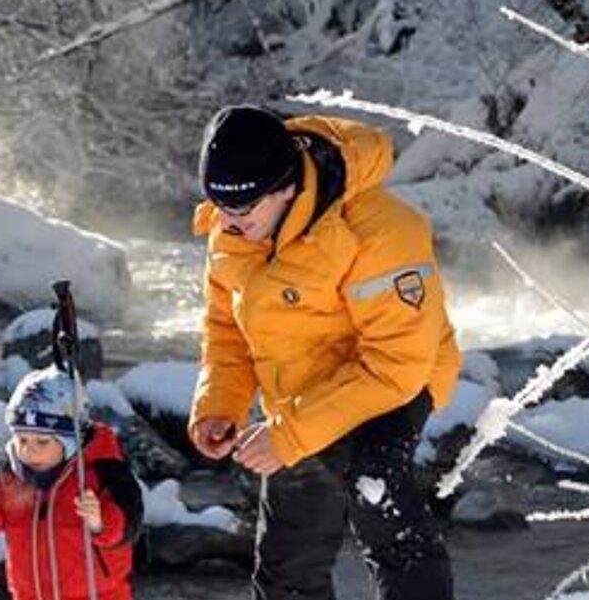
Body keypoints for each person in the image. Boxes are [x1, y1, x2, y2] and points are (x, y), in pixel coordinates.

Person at [185, 105, 463, 600]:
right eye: (219, 206)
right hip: (303, 390)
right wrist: (219, 405)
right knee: (287, 562)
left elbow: (395, 364)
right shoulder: (232, 230)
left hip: (393, 383)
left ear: (286, 188)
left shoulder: (380, 232)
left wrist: (290, 436)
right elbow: (226, 327)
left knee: (374, 487)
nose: (227, 222)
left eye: (242, 210)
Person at [0, 368, 143, 600]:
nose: (29, 450)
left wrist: (101, 522)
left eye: (42, 441)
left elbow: (129, 521)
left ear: (70, 440)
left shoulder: (101, 470)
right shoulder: (14, 478)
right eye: (22, 439)